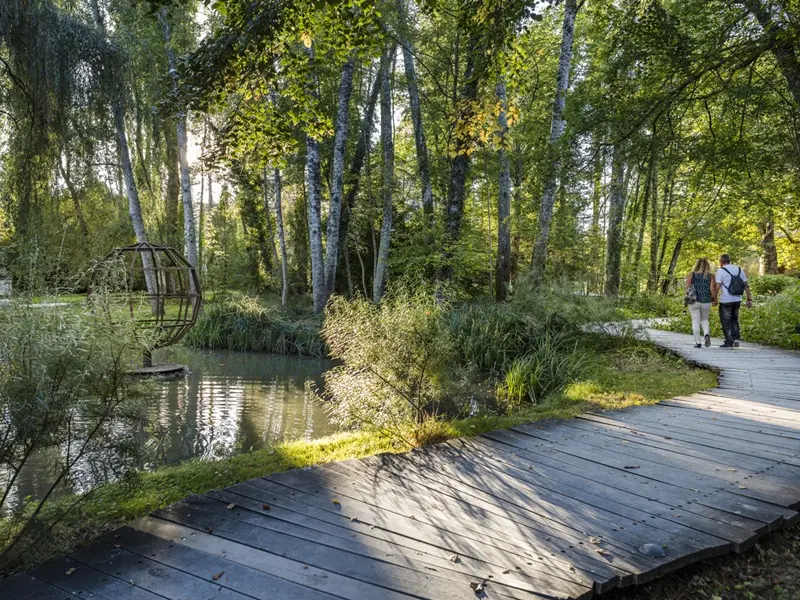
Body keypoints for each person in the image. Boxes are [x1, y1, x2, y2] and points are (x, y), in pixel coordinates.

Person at [713, 254, 753, 348]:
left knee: (726, 321)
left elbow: (717, 287)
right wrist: (749, 298)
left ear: (721, 262)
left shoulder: (721, 270)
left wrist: (714, 299)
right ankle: (736, 339)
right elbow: (746, 285)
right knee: (734, 319)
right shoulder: (739, 269)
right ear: (729, 261)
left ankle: (729, 342)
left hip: (726, 300)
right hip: (737, 299)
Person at [685, 258, 715, 348]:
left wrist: (686, 300)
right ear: (707, 266)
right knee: (705, 319)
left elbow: (687, 287)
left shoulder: (691, 274)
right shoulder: (711, 276)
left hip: (693, 300)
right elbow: (712, 289)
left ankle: (698, 343)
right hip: (706, 300)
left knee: (695, 321)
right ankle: (706, 334)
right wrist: (714, 299)